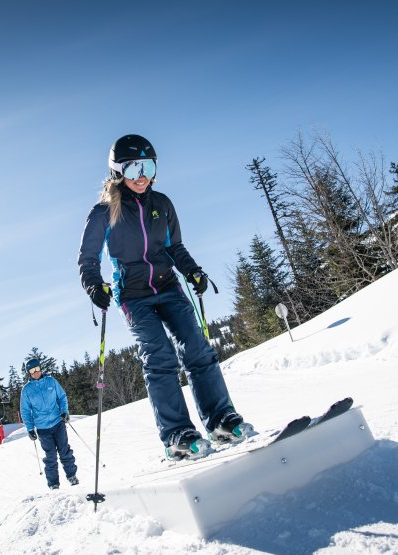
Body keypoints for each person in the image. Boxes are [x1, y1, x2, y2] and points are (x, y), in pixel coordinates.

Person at [77, 134, 252, 460]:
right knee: (159, 356)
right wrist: (93, 285)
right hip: (133, 296)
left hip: (168, 288)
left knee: (197, 348)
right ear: (117, 172)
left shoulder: (163, 205)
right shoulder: (104, 213)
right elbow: (87, 259)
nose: (141, 176)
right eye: (133, 169)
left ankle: (221, 421)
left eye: (148, 166)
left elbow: (174, 248)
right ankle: (177, 436)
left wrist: (193, 272)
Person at [20, 357, 78, 489]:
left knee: (64, 451)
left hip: (58, 423)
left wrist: (64, 411)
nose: (36, 372)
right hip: (42, 428)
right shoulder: (27, 390)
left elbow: (62, 397)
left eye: (37, 369)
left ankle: (72, 476)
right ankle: (53, 484)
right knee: (50, 456)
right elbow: (25, 411)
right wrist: (30, 428)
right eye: (32, 370)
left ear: (41, 368)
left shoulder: (51, 381)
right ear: (29, 373)